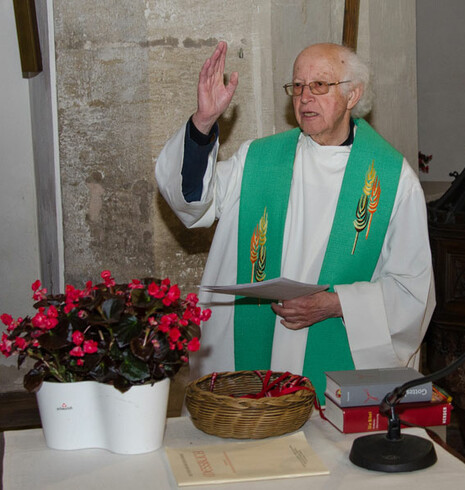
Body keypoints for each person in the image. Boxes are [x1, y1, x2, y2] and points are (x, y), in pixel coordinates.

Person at [156, 41, 435, 403]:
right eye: (297, 86)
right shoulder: (258, 160)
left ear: (353, 95)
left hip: (334, 359)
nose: (305, 97)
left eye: (319, 85)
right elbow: (192, 200)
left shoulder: (392, 179)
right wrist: (204, 122)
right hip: (252, 354)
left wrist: (335, 304)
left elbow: (413, 292)